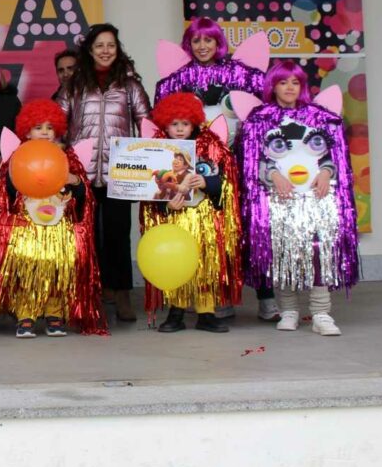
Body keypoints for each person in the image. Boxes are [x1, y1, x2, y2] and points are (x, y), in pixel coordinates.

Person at [154, 18, 278, 322]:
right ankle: (216, 297)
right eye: (196, 41)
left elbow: (263, 115)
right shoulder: (175, 79)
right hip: (204, 167)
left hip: (242, 161)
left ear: (218, 42)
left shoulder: (243, 75)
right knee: (212, 233)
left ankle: (267, 297)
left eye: (208, 40)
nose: (202, 46)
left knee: (253, 227)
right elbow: (165, 129)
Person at [236, 60, 359, 336]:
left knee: (318, 252)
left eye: (295, 82)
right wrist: (273, 175)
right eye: (283, 82)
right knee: (282, 254)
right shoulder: (259, 119)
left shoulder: (320, 117)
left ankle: (321, 314)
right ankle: (288, 310)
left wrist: (326, 173)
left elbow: (333, 157)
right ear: (273, 86)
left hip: (315, 199)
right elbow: (249, 161)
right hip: (280, 201)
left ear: (302, 86)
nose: (289, 88)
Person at [0, 100, 106, 338]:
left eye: (49, 127)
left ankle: (55, 315)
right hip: (26, 227)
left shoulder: (68, 156)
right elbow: (3, 194)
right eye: (37, 127)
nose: (44, 132)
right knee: (27, 269)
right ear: (26, 131)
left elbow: (84, 197)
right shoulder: (17, 157)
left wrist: (74, 182)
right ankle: (26, 315)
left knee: (57, 269)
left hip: (59, 227)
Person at [59, 23, 151, 322]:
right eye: (99, 45)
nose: (105, 51)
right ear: (89, 49)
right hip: (79, 174)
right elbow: (56, 125)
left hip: (120, 173)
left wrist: (150, 162)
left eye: (111, 45)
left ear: (117, 48)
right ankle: (86, 295)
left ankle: (122, 293)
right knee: (82, 236)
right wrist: (60, 162)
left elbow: (147, 125)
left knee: (117, 234)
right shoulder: (73, 86)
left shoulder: (130, 86)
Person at [140, 93, 242, 333]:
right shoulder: (156, 151)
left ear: (194, 123)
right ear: (165, 124)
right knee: (175, 261)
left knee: (205, 264)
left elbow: (227, 183)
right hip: (175, 220)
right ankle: (176, 311)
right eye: (174, 124)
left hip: (204, 218)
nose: (179, 129)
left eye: (184, 123)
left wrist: (207, 183)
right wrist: (166, 206)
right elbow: (149, 193)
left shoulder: (212, 147)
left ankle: (206, 312)